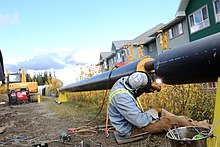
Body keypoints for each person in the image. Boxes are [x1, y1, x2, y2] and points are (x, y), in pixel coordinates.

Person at [108, 71, 211, 139]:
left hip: (132, 120)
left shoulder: (128, 80)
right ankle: (206, 127)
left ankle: (194, 123)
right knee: (170, 121)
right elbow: (140, 122)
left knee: (162, 111)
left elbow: (141, 82)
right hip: (130, 130)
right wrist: (154, 113)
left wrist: (151, 86)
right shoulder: (121, 97)